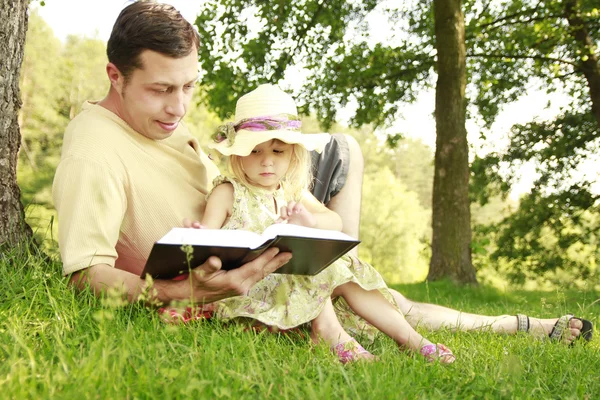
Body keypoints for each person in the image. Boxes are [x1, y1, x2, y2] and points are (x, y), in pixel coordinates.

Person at [52, 1, 592, 347]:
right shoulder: (94, 151)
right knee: (378, 299)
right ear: (115, 76)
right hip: (242, 278)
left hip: (262, 224)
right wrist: (184, 293)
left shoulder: (166, 127)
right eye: (161, 90)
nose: (178, 107)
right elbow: (84, 273)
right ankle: (519, 326)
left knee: (343, 155)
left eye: (188, 86)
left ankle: (511, 323)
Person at [195, 84, 455, 363]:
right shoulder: (228, 192)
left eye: (277, 151)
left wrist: (309, 221)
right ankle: (330, 334)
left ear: (292, 154)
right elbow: (209, 238)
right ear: (238, 155)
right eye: (255, 151)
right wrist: (199, 235)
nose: (267, 161)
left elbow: (335, 221)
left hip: (297, 287)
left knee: (334, 266)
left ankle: (412, 340)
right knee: (304, 266)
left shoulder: (291, 191)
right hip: (252, 291)